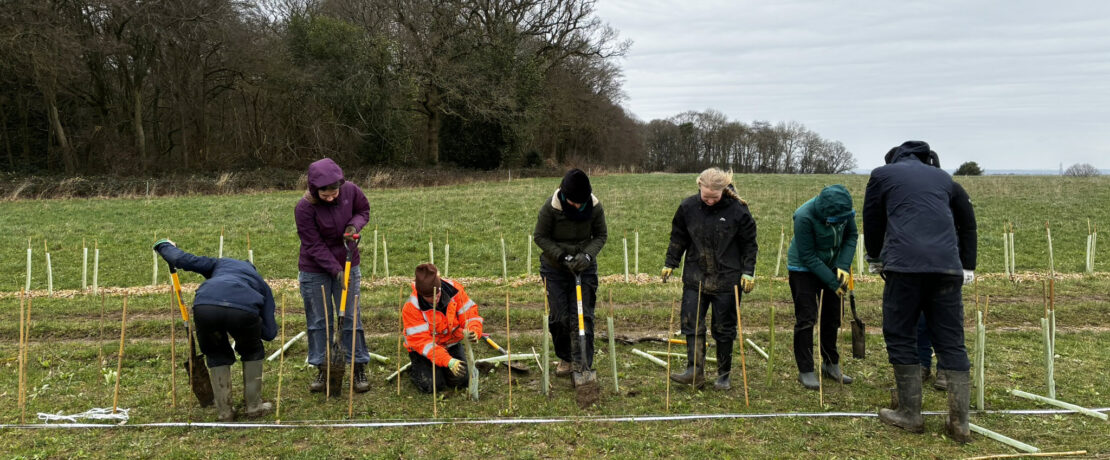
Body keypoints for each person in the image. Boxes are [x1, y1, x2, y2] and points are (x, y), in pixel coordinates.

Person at [864, 140, 977, 443]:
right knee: (952, 340)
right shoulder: (943, 178)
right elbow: (967, 219)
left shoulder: (882, 175)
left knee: (900, 332)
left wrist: (874, 256)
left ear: (894, 158)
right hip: (947, 269)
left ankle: (910, 414)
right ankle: (960, 424)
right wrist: (968, 265)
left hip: (905, 267)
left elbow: (873, 218)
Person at [153, 239, 277, 421]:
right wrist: (253, 333)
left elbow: (183, 259)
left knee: (216, 353)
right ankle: (254, 407)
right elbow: (270, 332)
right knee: (252, 350)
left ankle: (225, 412)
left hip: (206, 306)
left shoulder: (218, 264)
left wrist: (164, 245)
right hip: (244, 310)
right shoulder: (260, 283)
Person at [662, 168, 758, 390]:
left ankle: (723, 375)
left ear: (724, 190)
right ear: (699, 186)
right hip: (696, 276)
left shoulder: (739, 211)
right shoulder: (687, 208)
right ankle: (694, 371)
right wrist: (670, 262)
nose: (711, 201)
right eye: (706, 197)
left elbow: (749, 244)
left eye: (715, 197)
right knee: (691, 323)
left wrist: (748, 271)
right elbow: (679, 236)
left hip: (728, 279)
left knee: (724, 328)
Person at [295, 158, 372, 393]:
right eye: (325, 195)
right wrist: (335, 270)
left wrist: (353, 227)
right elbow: (313, 245)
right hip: (314, 268)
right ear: (314, 189)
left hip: (348, 261)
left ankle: (358, 366)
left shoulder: (351, 191)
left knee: (350, 316)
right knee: (320, 320)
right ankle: (323, 367)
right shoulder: (304, 208)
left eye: (334, 192)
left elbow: (363, 210)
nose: (331, 198)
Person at [533, 168, 607, 379]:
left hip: (584, 267)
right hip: (555, 268)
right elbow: (540, 237)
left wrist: (587, 256)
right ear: (565, 195)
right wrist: (562, 256)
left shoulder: (594, 207)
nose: (577, 206)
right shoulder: (551, 207)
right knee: (559, 317)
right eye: (573, 202)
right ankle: (566, 357)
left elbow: (601, 235)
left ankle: (583, 363)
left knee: (583, 317)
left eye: (580, 202)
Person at [786, 184, 857, 390]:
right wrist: (833, 282)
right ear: (826, 213)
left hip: (833, 265)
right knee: (806, 318)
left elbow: (852, 236)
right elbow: (808, 256)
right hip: (803, 268)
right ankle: (806, 369)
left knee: (833, 315)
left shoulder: (845, 211)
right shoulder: (804, 216)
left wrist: (842, 266)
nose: (843, 222)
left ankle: (830, 363)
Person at [401, 263, 483, 393]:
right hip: (425, 351)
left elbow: (470, 315)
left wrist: (474, 330)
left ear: (440, 286)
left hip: (451, 343)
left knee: (462, 380)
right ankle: (417, 368)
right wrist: (448, 361)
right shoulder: (411, 308)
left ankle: (441, 369)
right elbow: (424, 343)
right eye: (429, 297)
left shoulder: (455, 290)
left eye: (437, 293)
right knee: (432, 386)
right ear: (421, 293)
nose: (434, 298)